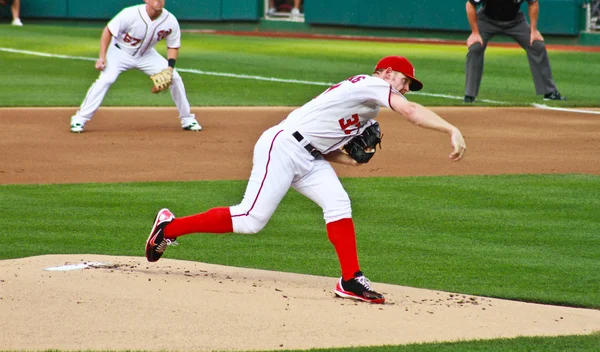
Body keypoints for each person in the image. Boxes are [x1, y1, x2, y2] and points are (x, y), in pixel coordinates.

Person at [144, 55, 467, 304]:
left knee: (339, 202)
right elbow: (410, 113)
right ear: (384, 73)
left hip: (309, 156)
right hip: (283, 146)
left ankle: (350, 279)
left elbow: (322, 146)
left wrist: (350, 160)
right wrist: (451, 129)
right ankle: (168, 227)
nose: (407, 88)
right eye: (405, 80)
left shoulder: (370, 107)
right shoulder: (371, 84)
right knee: (250, 219)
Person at [70, 0, 202, 133]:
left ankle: (188, 119)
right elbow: (108, 31)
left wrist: (170, 68)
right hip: (119, 52)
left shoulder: (170, 20)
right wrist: (102, 57)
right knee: (106, 79)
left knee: (176, 79)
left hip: (146, 55)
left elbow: (173, 45)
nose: (160, 0)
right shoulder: (130, 14)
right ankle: (79, 119)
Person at [463, 0, 566, 103]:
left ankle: (549, 92)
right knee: (475, 48)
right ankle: (469, 95)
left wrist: (533, 30)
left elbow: (533, 2)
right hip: (487, 19)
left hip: (514, 21)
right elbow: (470, 5)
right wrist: (474, 32)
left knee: (536, 45)